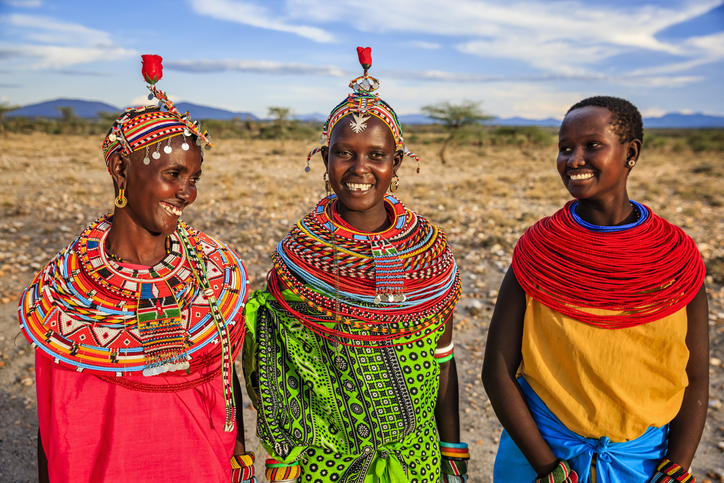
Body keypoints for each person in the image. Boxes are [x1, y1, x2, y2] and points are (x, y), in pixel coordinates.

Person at [18, 55, 257, 483]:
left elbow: (226, 385)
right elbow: (57, 424)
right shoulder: (64, 295)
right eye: (173, 174)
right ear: (120, 169)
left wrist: (238, 459)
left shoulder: (214, 274)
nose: (187, 193)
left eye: (194, 177)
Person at [242, 47, 468, 483]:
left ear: (395, 163)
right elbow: (277, 367)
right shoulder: (299, 258)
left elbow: (443, 359)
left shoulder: (428, 255)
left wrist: (451, 453)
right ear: (325, 161)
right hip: (325, 466)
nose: (359, 168)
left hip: (417, 460)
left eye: (376, 155)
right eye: (344, 153)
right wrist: (285, 459)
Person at [482, 96, 708, 483]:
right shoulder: (540, 250)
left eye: (592, 145)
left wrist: (678, 466)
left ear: (630, 153)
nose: (573, 160)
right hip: (542, 458)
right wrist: (547, 468)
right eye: (565, 148)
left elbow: (696, 374)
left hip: (643, 465)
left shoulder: (674, 258)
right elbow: (496, 370)